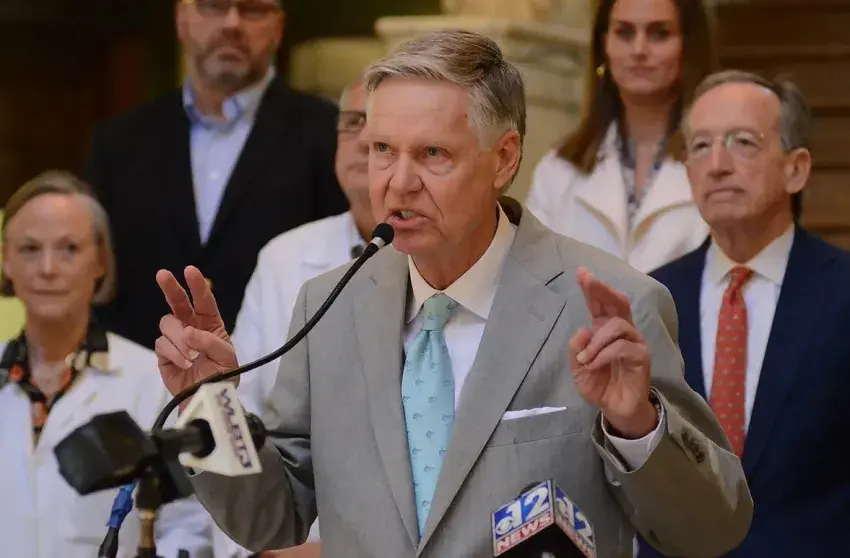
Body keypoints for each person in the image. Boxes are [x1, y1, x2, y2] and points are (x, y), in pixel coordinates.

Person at [153, 29, 753, 557]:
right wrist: (210, 405)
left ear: (504, 158)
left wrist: (636, 425)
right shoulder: (328, 306)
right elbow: (270, 518)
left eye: (432, 153)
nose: (398, 182)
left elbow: (710, 530)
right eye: (382, 150)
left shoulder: (612, 306)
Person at [641, 71, 850, 557]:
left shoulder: (841, 292)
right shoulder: (651, 296)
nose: (717, 165)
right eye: (700, 146)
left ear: (796, 169)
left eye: (742, 143)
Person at [85, 0, 348, 350]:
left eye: (252, 10)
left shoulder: (332, 136)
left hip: (278, 370)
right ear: (181, 19)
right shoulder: (119, 142)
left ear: (278, 28)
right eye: (214, 6)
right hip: (144, 371)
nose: (232, 24)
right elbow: (98, 277)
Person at [0, 171, 212, 558]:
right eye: (29, 248)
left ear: (100, 261)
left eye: (69, 248)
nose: (47, 267)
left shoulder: (153, 382)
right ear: (6, 261)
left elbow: (190, 525)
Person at [214, 75, 372, 558]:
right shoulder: (285, 257)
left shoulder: (447, 262)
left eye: (384, 127)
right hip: (281, 542)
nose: (366, 139)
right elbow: (246, 417)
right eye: (353, 122)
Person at [525, 0, 716, 273]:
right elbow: (532, 279)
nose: (639, 50)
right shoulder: (558, 169)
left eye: (659, 34)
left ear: (688, 46)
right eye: (625, 33)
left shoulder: (718, 162)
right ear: (604, 45)